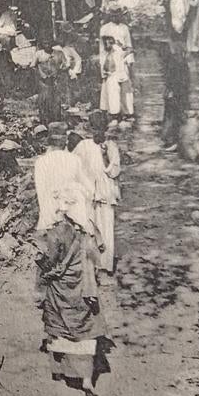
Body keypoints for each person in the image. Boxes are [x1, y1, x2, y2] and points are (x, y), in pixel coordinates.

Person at [36, 184, 106, 396]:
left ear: (62, 206)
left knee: (59, 327)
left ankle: (60, 372)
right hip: (83, 287)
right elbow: (99, 252)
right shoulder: (89, 228)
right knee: (84, 330)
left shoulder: (57, 232)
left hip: (61, 289)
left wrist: (40, 263)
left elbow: (50, 261)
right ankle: (87, 379)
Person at [74, 111, 121, 275]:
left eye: (100, 128)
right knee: (93, 226)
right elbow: (74, 165)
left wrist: (105, 156)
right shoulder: (84, 146)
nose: (98, 132)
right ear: (91, 129)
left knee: (103, 226)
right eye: (95, 128)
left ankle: (103, 263)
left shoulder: (110, 146)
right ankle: (94, 264)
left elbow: (114, 171)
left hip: (103, 193)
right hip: (90, 193)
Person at [162, 38, 190, 151]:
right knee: (174, 116)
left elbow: (178, 80)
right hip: (177, 93)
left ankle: (173, 140)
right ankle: (172, 140)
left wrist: (170, 90)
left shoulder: (178, 63)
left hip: (177, 93)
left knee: (174, 116)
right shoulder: (179, 63)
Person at [100, 35, 135, 126]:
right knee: (113, 96)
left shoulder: (119, 52)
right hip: (110, 76)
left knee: (124, 95)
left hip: (120, 75)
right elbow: (104, 66)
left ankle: (126, 115)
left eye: (109, 43)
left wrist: (122, 46)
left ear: (112, 43)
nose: (107, 45)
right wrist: (105, 72)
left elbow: (131, 50)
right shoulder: (105, 54)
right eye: (105, 43)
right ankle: (114, 116)